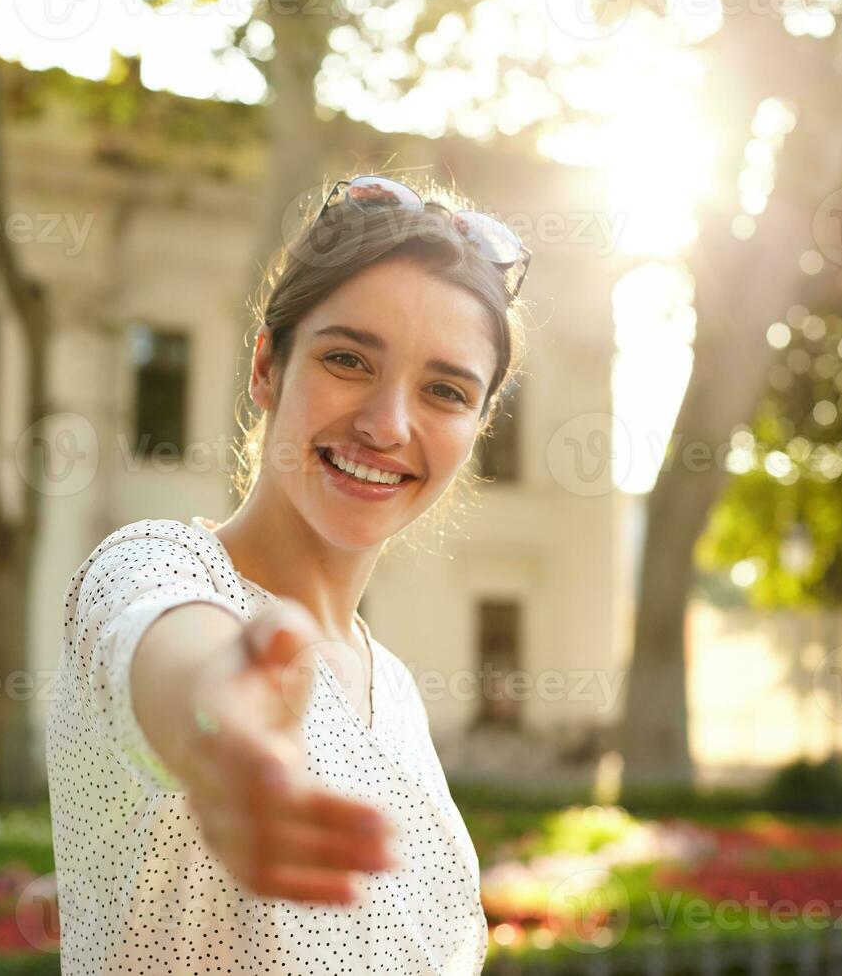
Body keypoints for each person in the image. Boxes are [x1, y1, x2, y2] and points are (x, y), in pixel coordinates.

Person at [46, 172, 531, 975]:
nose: (387, 425)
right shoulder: (154, 565)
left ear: (477, 427)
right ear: (268, 366)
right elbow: (174, 657)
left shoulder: (397, 690)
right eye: (348, 359)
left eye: (445, 390)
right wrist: (213, 734)